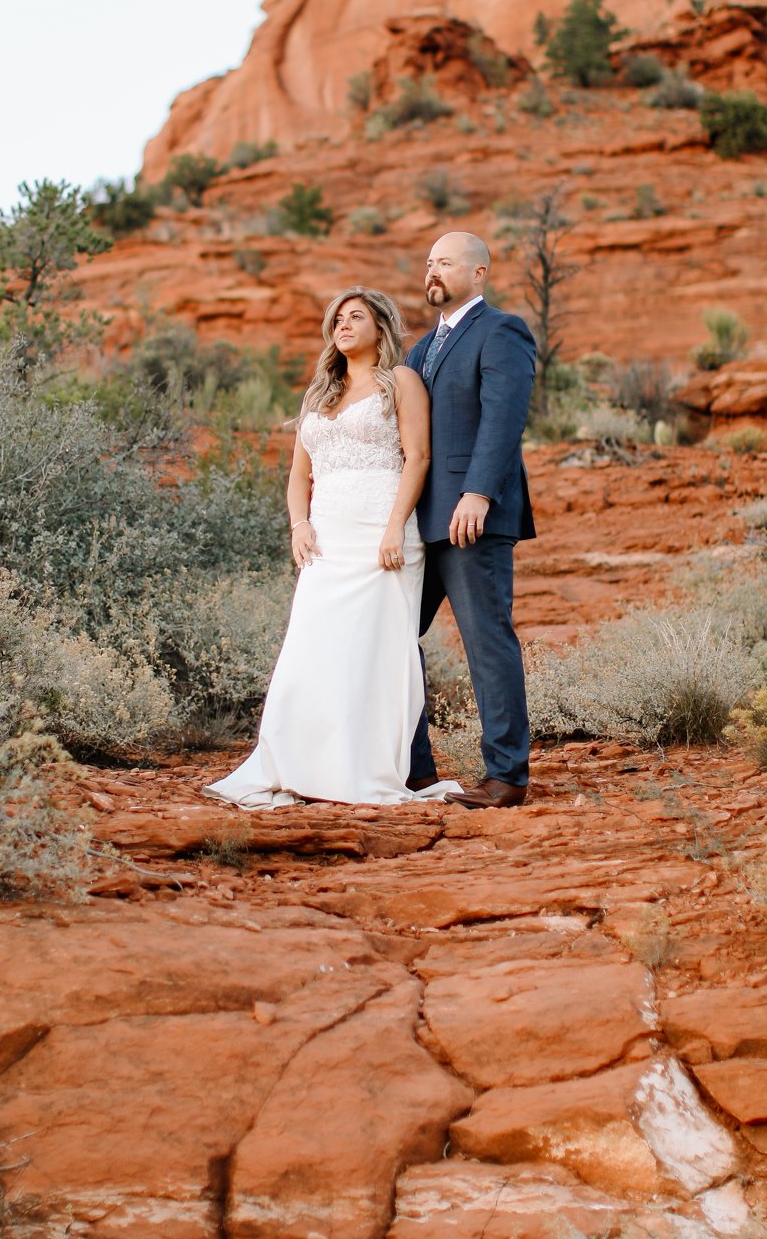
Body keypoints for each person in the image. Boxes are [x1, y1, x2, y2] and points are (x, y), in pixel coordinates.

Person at [205, 288, 460, 808]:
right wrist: (299, 524)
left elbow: (419, 458)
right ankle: (300, 763)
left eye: (356, 316)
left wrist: (395, 527)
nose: (344, 325)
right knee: (312, 651)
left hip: (381, 537)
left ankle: (358, 768)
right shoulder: (318, 394)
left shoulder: (403, 382)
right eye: (338, 318)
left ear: (381, 327)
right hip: (326, 541)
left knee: (371, 651)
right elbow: (299, 473)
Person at [405, 232, 537, 810]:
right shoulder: (417, 351)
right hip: (418, 522)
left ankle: (506, 776)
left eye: (447, 263)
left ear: (479, 273)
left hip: (471, 518)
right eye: (430, 263)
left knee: (486, 642)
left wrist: (479, 493)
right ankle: (414, 770)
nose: (433, 272)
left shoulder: (501, 331)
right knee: (391, 637)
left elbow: (504, 419)